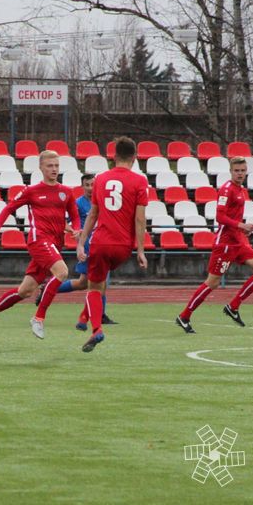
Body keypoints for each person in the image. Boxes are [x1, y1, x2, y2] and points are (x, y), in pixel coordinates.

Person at [0, 150, 81, 340]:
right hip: (38, 239)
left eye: (56, 165)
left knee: (25, 291)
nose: (54, 169)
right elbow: (9, 208)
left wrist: (77, 229)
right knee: (62, 272)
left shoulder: (66, 192)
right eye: (50, 166)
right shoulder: (31, 191)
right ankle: (38, 318)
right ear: (41, 168)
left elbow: (74, 214)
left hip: (55, 243)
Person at [175, 156, 253, 334]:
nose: (240, 174)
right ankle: (184, 316)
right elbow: (220, 217)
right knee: (213, 282)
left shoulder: (241, 190)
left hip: (239, 240)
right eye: (237, 171)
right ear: (231, 171)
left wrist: (244, 229)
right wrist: (241, 225)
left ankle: (233, 306)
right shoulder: (227, 190)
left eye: (242, 170)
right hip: (225, 243)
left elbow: (233, 217)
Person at [75, 136, 149, 352]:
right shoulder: (140, 181)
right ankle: (83, 317)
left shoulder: (100, 179)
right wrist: (141, 250)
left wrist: (81, 243)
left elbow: (92, 215)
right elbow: (140, 219)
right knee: (101, 280)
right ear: (134, 158)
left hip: (100, 242)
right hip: (123, 247)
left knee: (94, 286)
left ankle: (96, 328)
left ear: (114, 157)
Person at [35, 173, 117, 329]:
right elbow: (63, 221)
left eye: (93, 184)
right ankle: (100, 315)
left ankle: (48, 289)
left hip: (102, 244)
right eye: (87, 185)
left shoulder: (102, 201)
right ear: (82, 187)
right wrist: (76, 234)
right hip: (87, 247)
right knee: (98, 282)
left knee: (84, 283)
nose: (91, 188)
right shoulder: (79, 203)